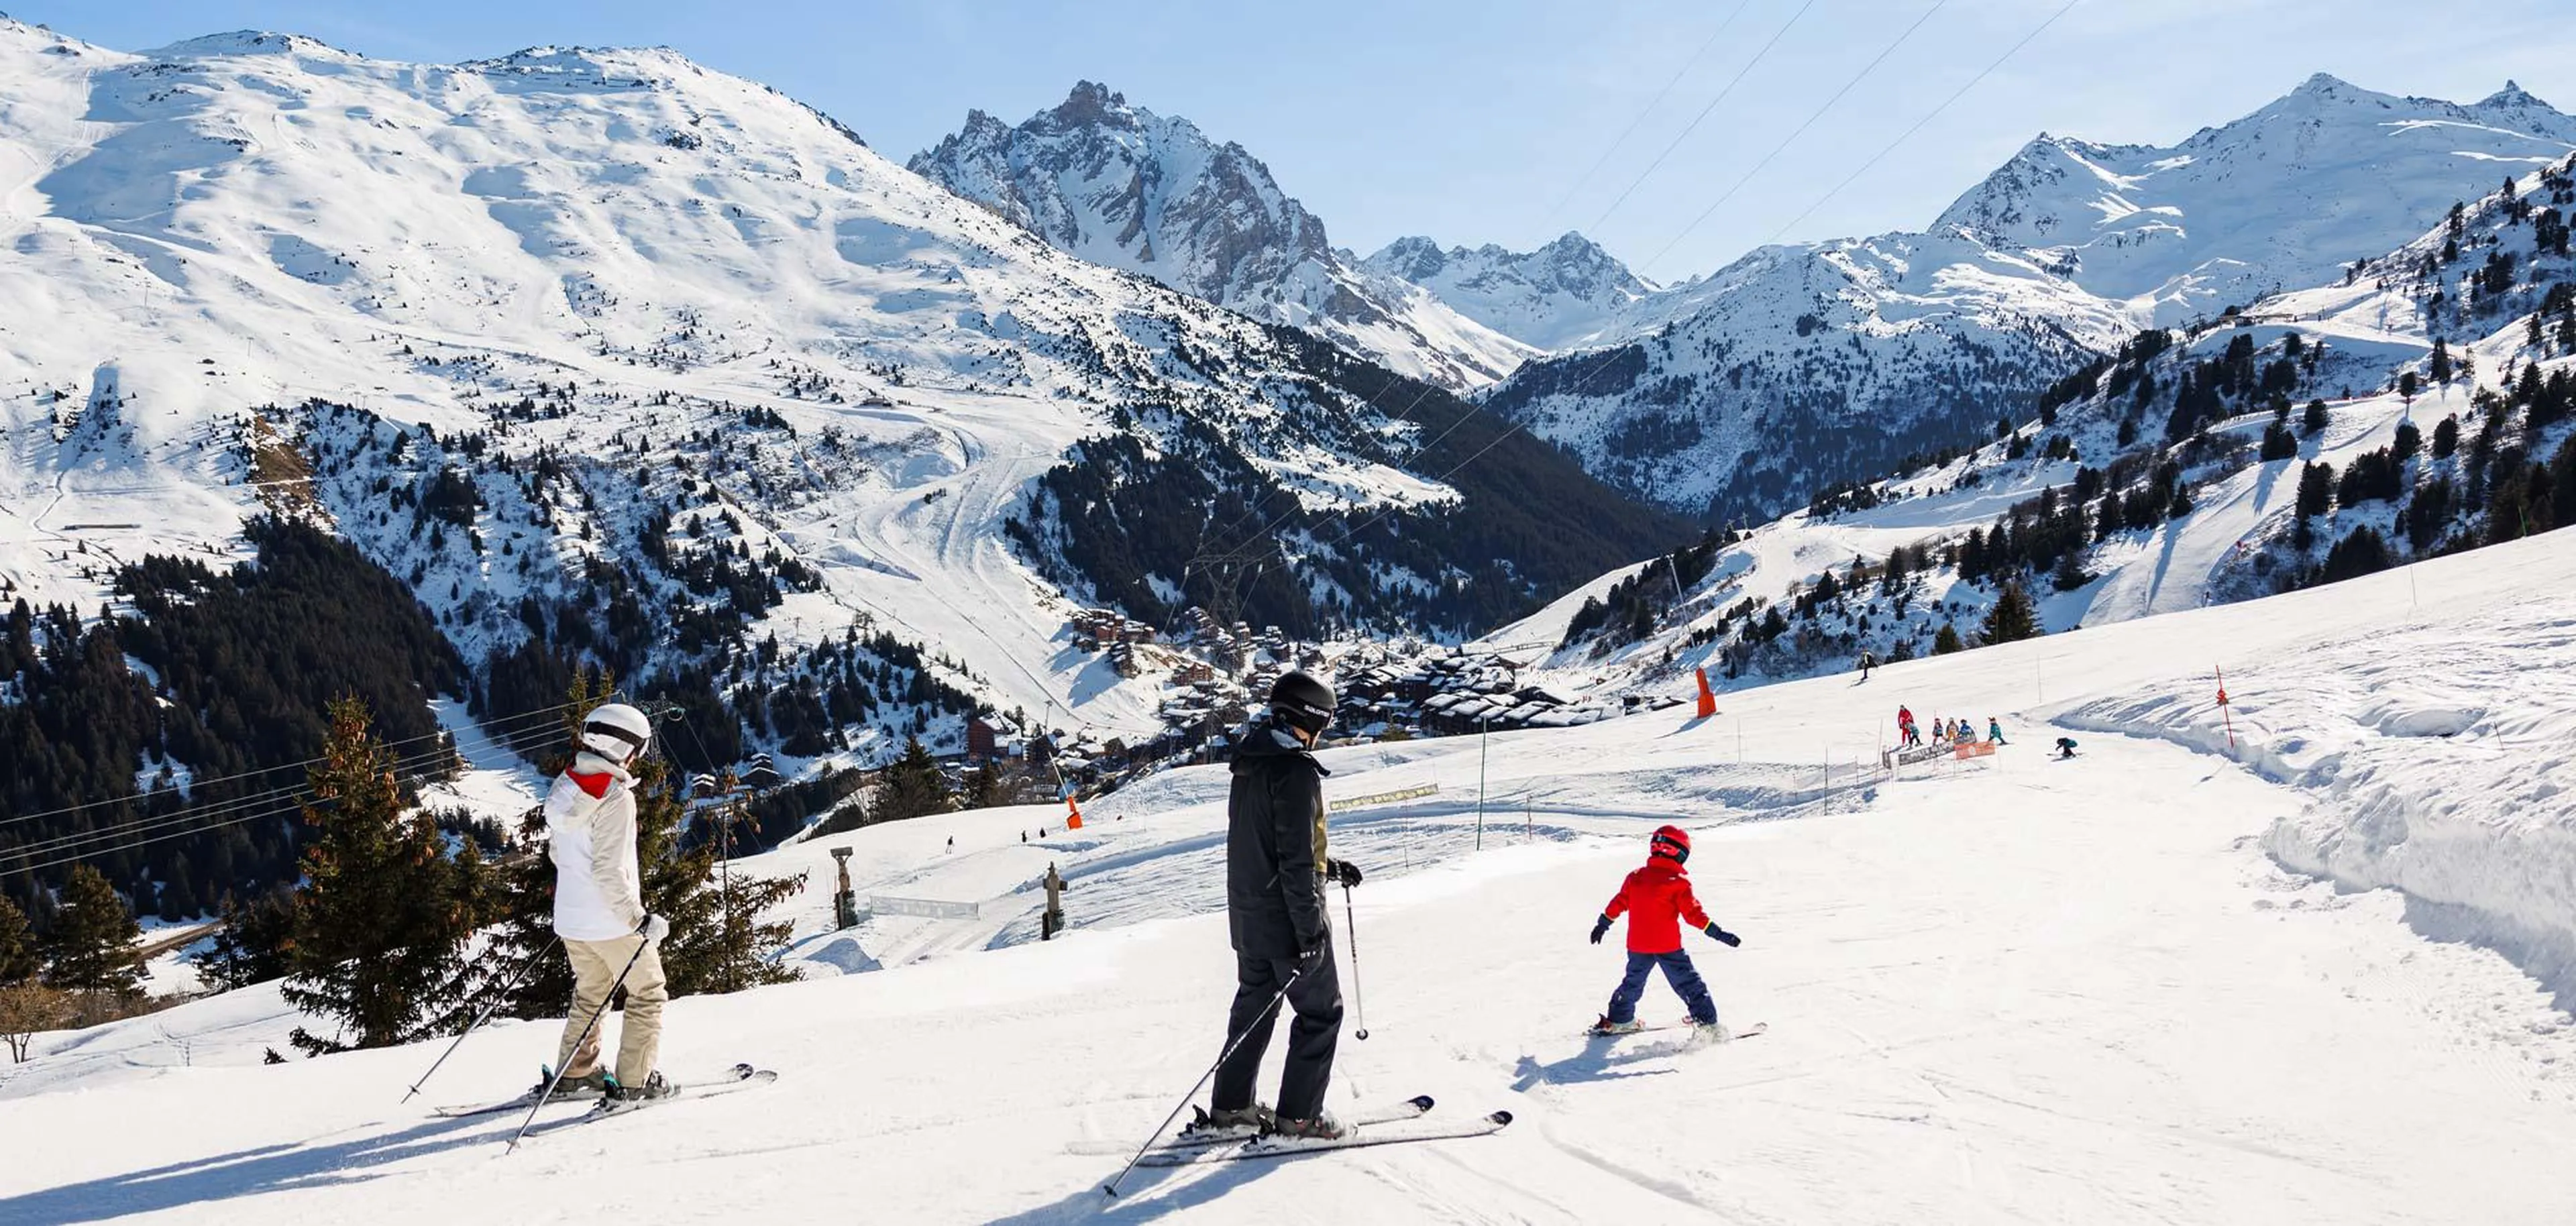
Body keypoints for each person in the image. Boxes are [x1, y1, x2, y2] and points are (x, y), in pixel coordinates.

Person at [1208, 671, 1362, 1140]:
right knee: (1321, 1012)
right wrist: (1311, 932)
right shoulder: (1296, 772)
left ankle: (1232, 1107)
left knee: (1254, 1010)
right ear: (1310, 718)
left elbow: (1267, 845)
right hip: (1289, 924)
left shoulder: (1250, 762)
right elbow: (1294, 861)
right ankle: (1300, 1117)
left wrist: (1327, 867)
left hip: (1249, 918)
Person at [545, 702, 674, 1105]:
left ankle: (575, 1074)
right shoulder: (615, 798)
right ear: (625, 748)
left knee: (592, 991)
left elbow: (556, 854)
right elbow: (608, 872)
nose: (640, 756)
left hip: (571, 920)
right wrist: (638, 920)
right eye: (639, 747)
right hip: (611, 923)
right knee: (649, 991)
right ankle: (636, 1083)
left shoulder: (565, 786)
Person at [1589, 826, 1740, 1038]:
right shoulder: (1678, 884)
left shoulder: (1636, 877)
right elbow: (1693, 915)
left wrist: (1603, 923)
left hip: (1638, 945)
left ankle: (1620, 1019)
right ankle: (1707, 1025)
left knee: (1633, 982)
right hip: (1667, 946)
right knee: (1689, 984)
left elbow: (1619, 902)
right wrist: (1718, 933)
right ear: (1678, 852)